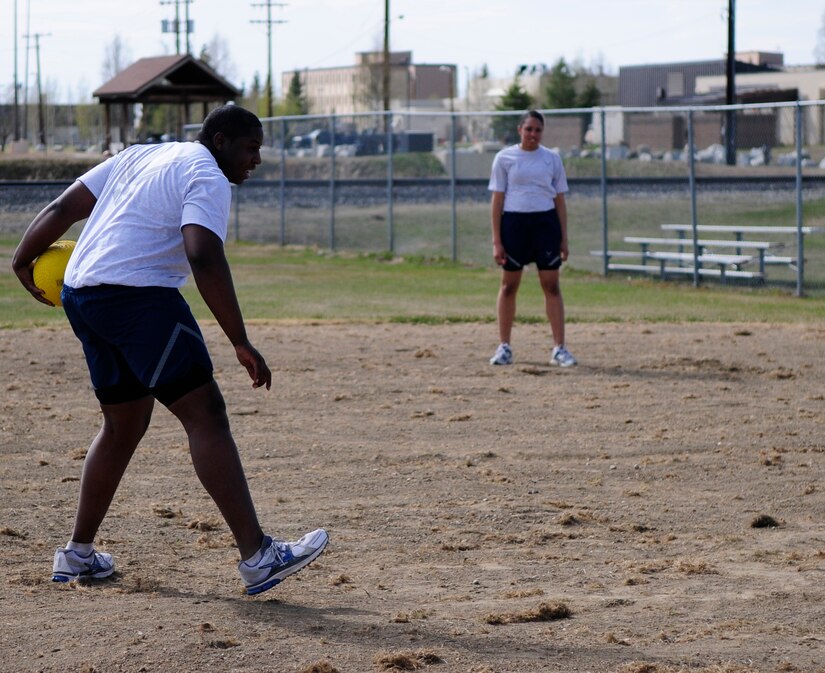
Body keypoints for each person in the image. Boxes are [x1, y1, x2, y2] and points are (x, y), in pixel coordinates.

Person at [11, 104, 328, 597]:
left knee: (123, 425)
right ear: (220, 141)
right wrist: (240, 340)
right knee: (205, 414)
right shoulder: (207, 173)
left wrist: (21, 259)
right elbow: (201, 252)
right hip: (138, 298)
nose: (257, 159)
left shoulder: (140, 156)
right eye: (251, 148)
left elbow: (62, 209)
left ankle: (77, 555)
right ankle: (258, 556)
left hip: (82, 295)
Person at [488, 110, 577, 368]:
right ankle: (504, 346)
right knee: (509, 286)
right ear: (520, 130)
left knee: (551, 285)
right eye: (528, 129)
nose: (533, 135)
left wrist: (563, 238)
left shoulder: (551, 159)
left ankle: (559, 348)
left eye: (538, 130)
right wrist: (497, 240)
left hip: (545, 224)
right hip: (514, 224)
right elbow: (497, 200)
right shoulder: (504, 158)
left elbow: (560, 200)